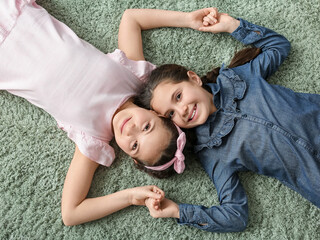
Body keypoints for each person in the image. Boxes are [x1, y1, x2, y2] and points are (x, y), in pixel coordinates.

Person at [137, 12, 320, 238]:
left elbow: (279, 46)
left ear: (193, 78)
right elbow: (236, 215)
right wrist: (179, 211)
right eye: (171, 113)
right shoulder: (212, 154)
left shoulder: (240, 77)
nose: (182, 109)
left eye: (178, 96)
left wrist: (233, 26)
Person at [0, 0, 219, 226]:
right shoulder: (134, 78)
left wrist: (130, 197)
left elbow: (71, 213)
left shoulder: (93, 138)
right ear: (158, 113)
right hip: (22, 13)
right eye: (147, 127)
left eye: (134, 145)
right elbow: (131, 19)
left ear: (132, 158)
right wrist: (186, 20)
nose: (131, 130)